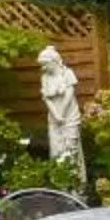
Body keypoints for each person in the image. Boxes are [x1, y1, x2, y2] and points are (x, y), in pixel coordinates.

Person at [38, 44, 83, 179]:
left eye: (45, 64)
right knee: (56, 150)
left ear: (54, 62)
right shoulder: (45, 77)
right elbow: (46, 98)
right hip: (54, 118)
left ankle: (75, 186)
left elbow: (69, 94)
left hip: (70, 116)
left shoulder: (67, 73)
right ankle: (60, 185)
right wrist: (56, 115)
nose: (43, 68)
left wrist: (61, 114)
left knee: (71, 149)